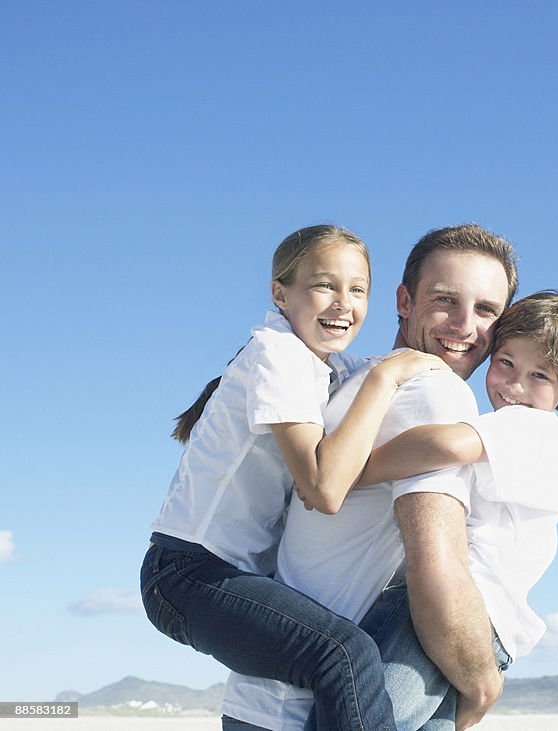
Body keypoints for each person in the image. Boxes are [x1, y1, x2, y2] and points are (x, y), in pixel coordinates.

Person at [141, 225, 447, 731]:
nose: (343, 303)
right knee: (344, 654)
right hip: (185, 574)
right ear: (280, 293)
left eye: (358, 289)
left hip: (223, 575)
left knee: (346, 654)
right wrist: (387, 377)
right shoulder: (278, 353)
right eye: (325, 285)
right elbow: (324, 489)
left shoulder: (323, 365)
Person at [221, 223, 519, 731]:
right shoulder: (435, 392)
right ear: (404, 301)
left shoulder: (350, 381)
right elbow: (435, 571)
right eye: (445, 300)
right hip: (334, 711)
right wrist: (482, 681)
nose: (466, 324)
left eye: (487, 310)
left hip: (261, 703)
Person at [352, 290, 558, 668]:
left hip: (472, 611)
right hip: (462, 609)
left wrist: (353, 471)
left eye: (539, 375)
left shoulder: (534, 426)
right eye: (505, 362)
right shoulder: (510, 431)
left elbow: (449, 444)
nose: (514, 385)